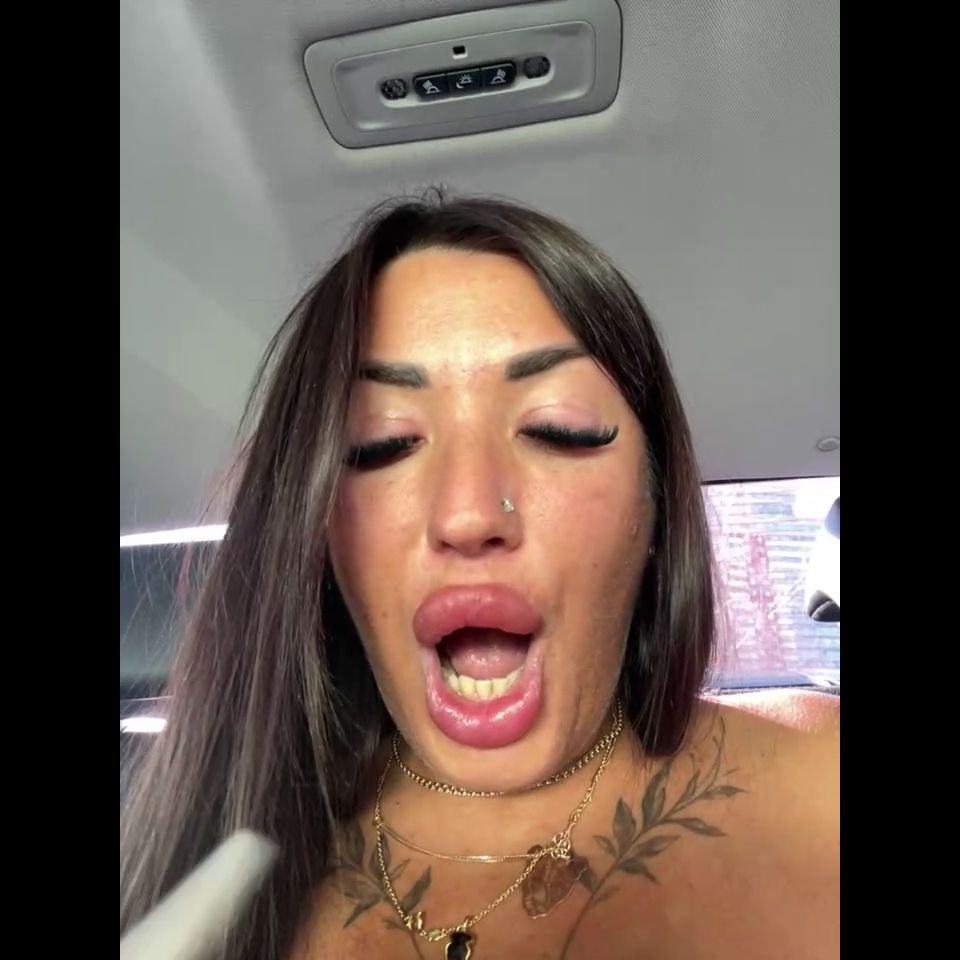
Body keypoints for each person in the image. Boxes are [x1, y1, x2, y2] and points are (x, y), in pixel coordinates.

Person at [120, 192, 839, 960]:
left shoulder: (819, 781)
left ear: (655, 509)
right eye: (379, 443)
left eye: (557, 429)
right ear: (320, 532)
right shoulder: (195, 861)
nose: (466, 513)